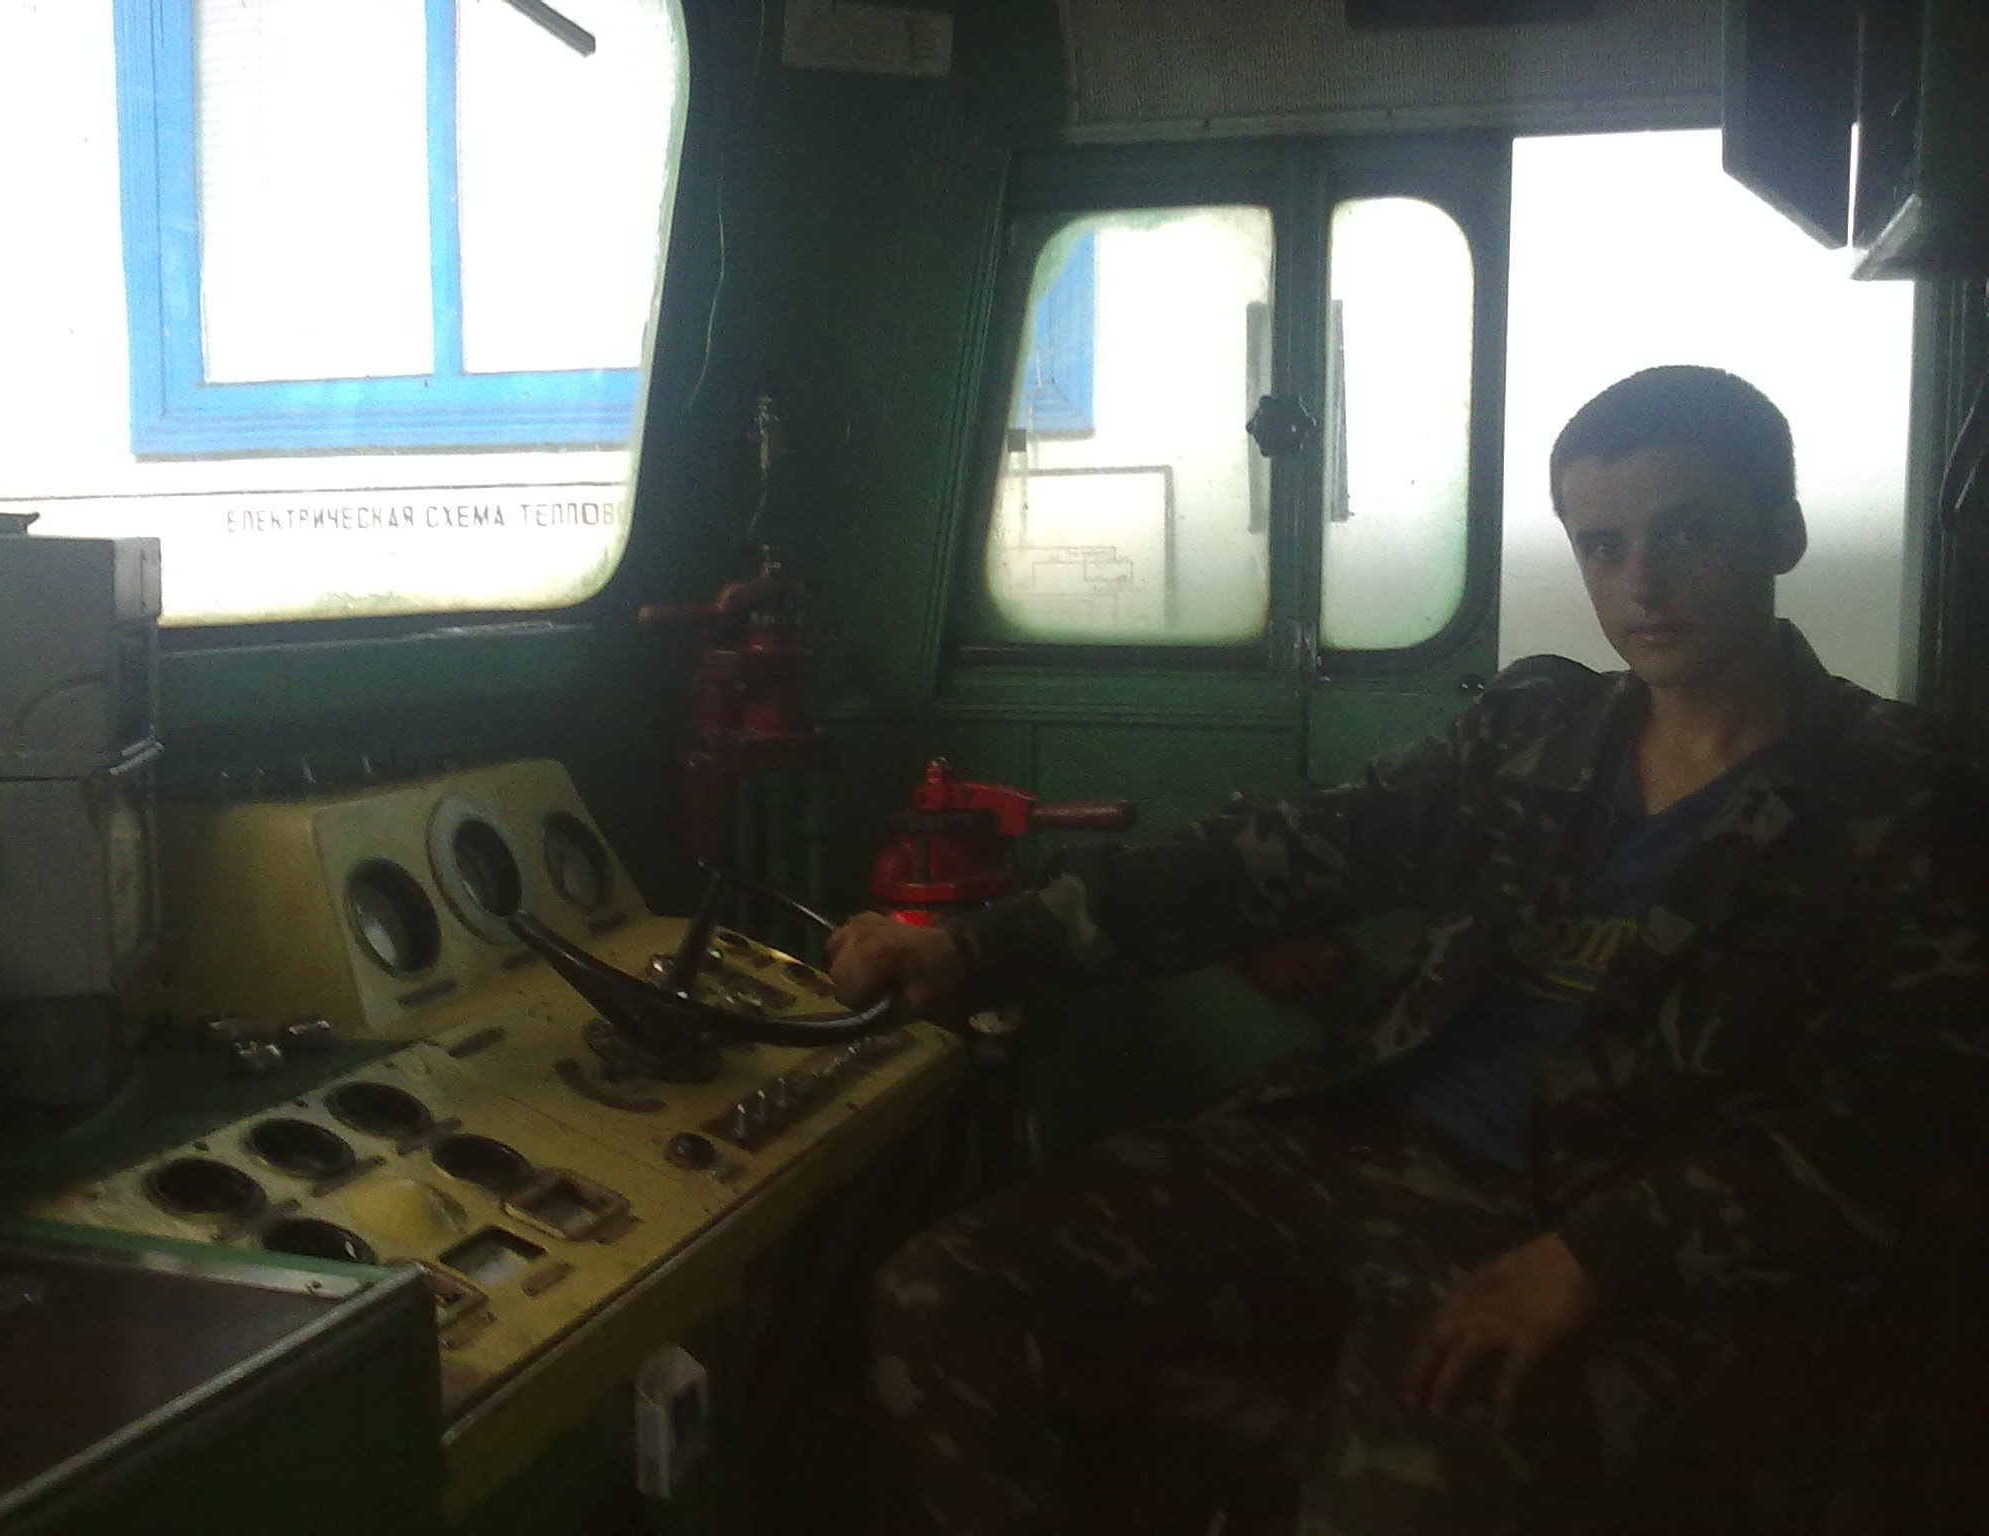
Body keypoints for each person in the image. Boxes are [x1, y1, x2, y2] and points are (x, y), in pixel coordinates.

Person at [826, 366, 1988, 1535]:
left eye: (1685, 532)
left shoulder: (1890, 793)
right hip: (1363, 1143)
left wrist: (1588, 1257)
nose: (1640, 582)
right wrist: (979, 951)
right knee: (941, 1296)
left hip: (1599, 1219)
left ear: (1779, 532)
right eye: (1602, 545)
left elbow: (1901, 1119)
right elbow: (1284, 853)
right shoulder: (1534, 732)